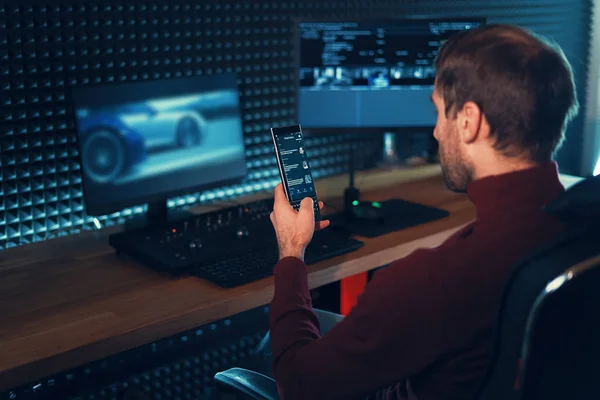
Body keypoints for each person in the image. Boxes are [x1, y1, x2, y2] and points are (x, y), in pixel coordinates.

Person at [267, 24, 579, 400]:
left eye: (438, 112)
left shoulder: (432, 280)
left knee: (262, 350)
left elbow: (299, 386)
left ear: (469, 120)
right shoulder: (584, 225)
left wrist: (291, 251)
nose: (434, 133)